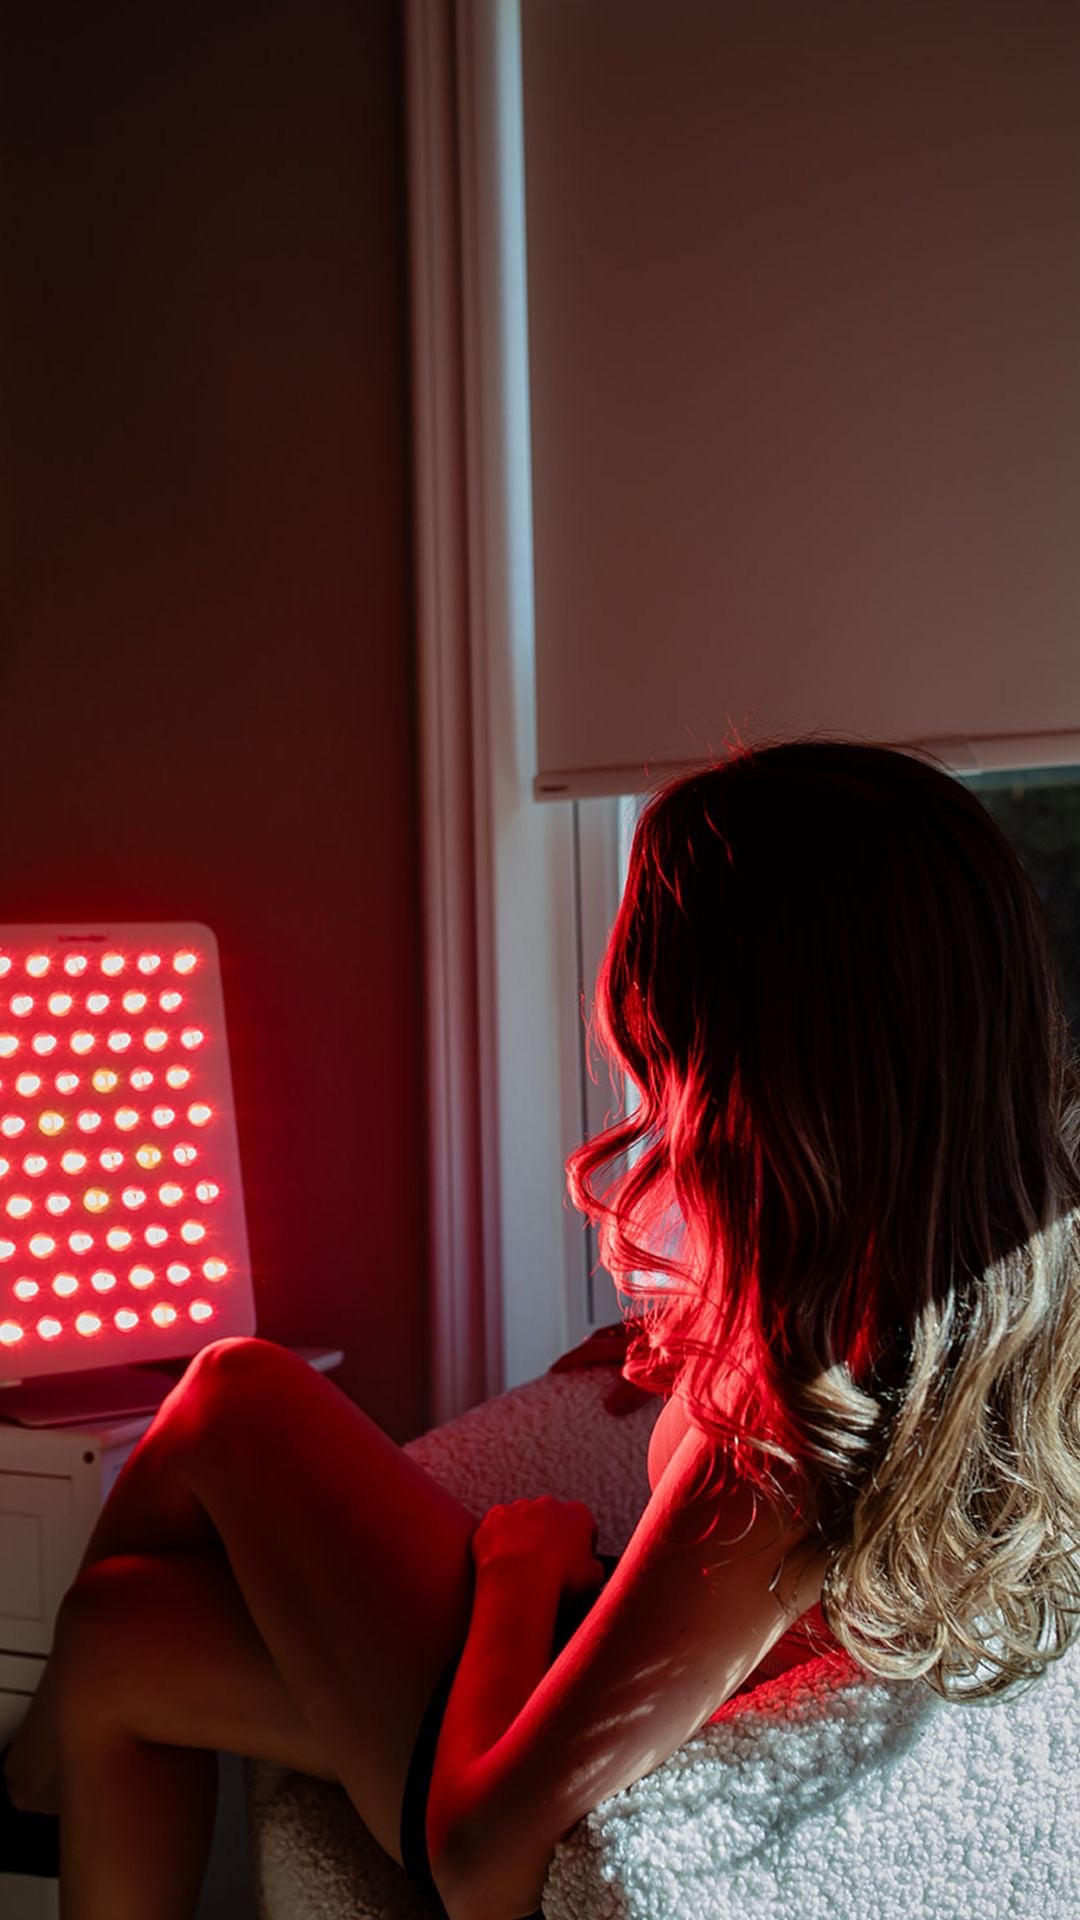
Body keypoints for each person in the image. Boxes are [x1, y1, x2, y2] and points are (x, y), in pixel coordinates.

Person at [3, 733, 1079, 1920]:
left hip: (524, 1731)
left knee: (232, 1391)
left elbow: (482, 1861)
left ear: (751, 1049)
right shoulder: (978, 1309)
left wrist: (522, 1573)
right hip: (593, 1663)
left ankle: (22, 1785)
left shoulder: (778, 1445)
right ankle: (30, 1781)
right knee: (121, 1634)